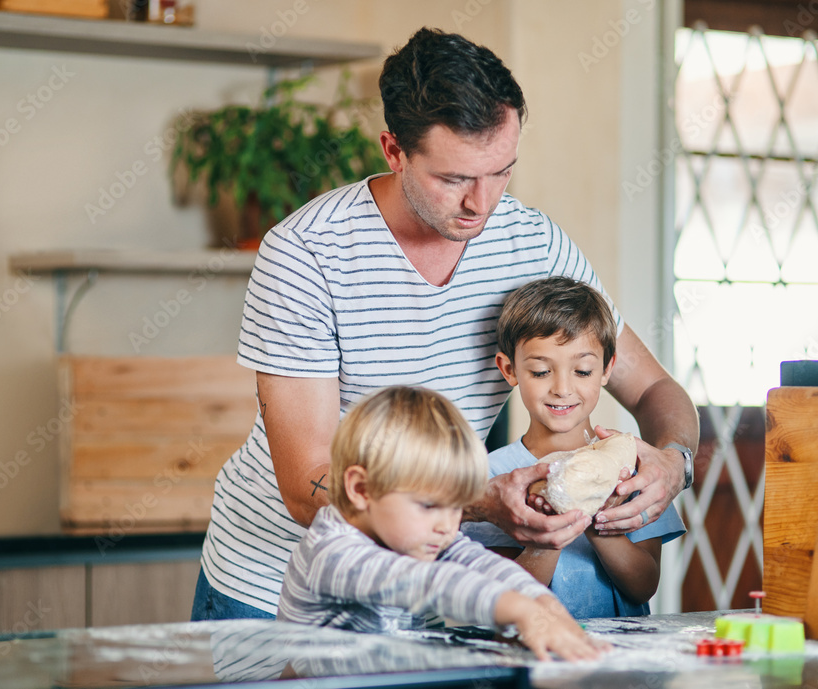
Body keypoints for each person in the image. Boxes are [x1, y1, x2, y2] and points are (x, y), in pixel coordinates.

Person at [192, 26, 698, 621]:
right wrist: (478, 500)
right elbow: (309, 486)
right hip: (279, 586)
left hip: (430, 587)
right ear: (394, 151)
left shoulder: (533, 242)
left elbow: (655, 389)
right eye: (454, 179)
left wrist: (673, 461)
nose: (480, 204)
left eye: (502, 172)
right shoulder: (307, 254)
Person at [276, 386, 608, 662]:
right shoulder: (332, 554)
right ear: (361, 489)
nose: (447, 527)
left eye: (457, 508)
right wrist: (517, 610)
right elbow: (428, 582)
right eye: (429, 505)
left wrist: (542, 603)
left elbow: (479, 563)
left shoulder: (421, 532)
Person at [463, 277, 686, 618]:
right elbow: (504, 600)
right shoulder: (492, 478)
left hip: (620, 661)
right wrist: (546, 533)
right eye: (540, 372)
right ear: (510, 370)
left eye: (582, 370)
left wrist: (599, 516)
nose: (562, 388)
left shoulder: (636, 470)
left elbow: (643, 585)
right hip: (534, 658)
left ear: (606, 369)